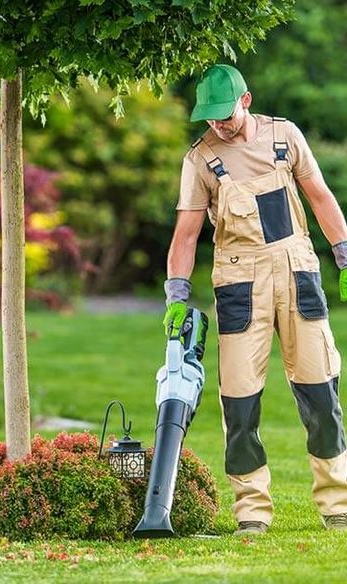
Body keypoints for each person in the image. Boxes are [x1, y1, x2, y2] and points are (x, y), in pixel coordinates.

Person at [164, 64, 347, 535]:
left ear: (246, 100)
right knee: (240, 403)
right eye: (209, 119)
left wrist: (345, 254)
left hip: (297, 272)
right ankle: (252, 512)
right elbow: (185, 235)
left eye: (224, 115)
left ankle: (337, 503)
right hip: (239, 282)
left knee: (321, 392)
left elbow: (320, 197)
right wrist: (177, 296)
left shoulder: (285, 137)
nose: (218, 125)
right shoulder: (200, 161)